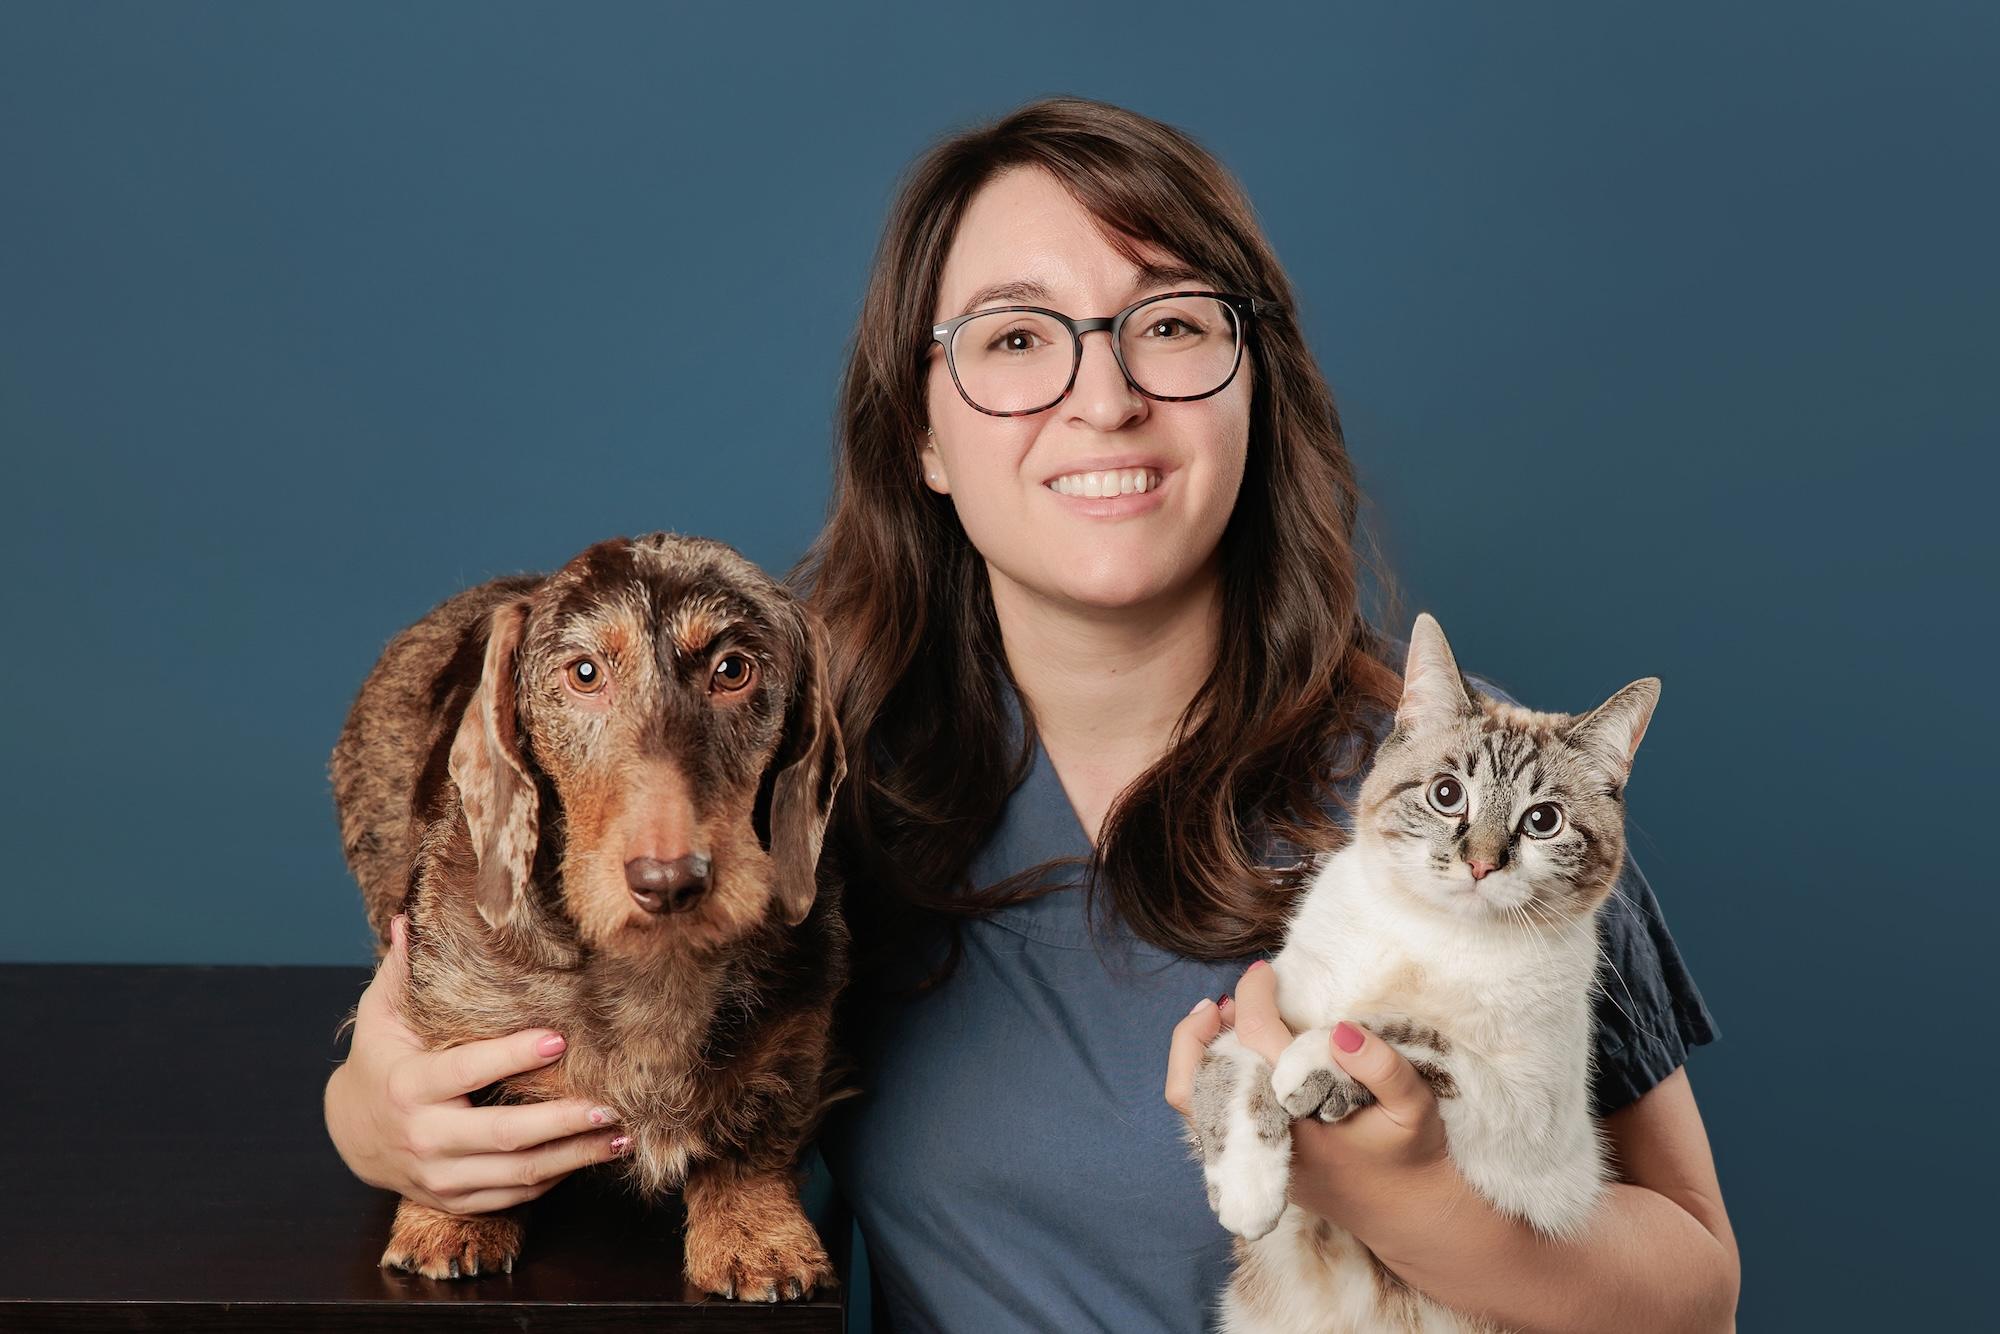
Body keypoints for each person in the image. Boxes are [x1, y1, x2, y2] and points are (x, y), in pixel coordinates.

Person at [325, 97, 1740, 1332]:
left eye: (1172, 324)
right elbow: (531, 1015)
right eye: (1016, 339)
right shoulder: (816, 775)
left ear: (1257, 388)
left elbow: (1696, 1290)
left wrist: (1423, 1202)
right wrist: (374, 1118)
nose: (1105, 397)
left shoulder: (1465, 801)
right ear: (924, 435)